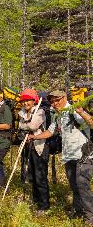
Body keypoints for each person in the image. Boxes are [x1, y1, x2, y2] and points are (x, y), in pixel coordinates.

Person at [28, 90, 93, 223]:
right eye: (52, 101)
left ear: (64, 98)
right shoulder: (58, 116)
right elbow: (50, 132)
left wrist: (81, 112)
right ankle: (78, 211)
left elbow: (91, 123)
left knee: (82, 185)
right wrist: (34, 136)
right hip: (69, 156)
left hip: (84, 155)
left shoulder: (74, 110)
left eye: (57, 100)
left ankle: (90, 217)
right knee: (74, 186)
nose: (55, 103)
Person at [18, 88, 49, 212]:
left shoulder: (40, 111)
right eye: (24, 101)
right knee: (31, 175)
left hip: (40, 147)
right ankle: (36, 200)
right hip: (28, 147)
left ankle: (44, 205)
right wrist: (25, 126)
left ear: (34, 100)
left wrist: (26, 126)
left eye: (28, 101)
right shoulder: (22, 113)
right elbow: (21, 127)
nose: (26, 103)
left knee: (40, 176)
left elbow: (32, 126)